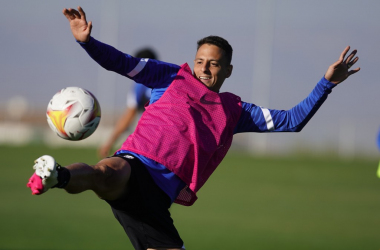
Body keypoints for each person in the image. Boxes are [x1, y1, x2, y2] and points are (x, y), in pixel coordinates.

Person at [27, 6, 360, 250]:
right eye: (200, 60)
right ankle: (57, 175)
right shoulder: (169, 76)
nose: (204, 68)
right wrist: (88, 42)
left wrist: (326, 83)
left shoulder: (236, 110)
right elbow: (121, 63)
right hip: (135, 163)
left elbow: (293, 120)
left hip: (158, 201)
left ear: (227, 70)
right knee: (107, 173)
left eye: (214, 63)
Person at [98, 48, 156, 158]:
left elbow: (129, 115)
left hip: (152, 136)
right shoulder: (170, 80)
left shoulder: (141, 85)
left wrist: (109, 142)